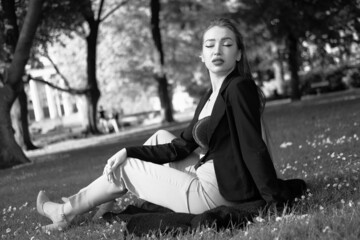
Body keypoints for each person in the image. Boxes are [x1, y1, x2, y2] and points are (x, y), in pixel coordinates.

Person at [36, 18, 304, 231]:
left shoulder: (239, 87)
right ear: (202, 55)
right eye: (210, 45)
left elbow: (252, 145)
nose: (217, 50)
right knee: (157, 138)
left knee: (126, 168)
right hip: (206, 174)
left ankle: (64, 212)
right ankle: (100, 200)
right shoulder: (209, 96)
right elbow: (179, 147)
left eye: (226, 44)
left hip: (216, 192)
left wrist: (274, 199)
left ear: (238, 54)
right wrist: (128, 150)